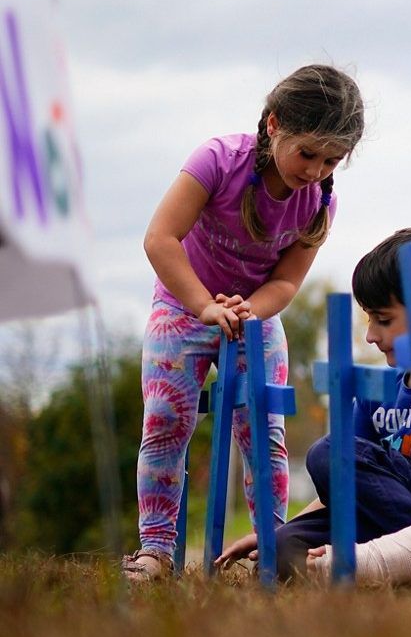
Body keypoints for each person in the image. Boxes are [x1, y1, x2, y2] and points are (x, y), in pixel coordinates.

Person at [123, 65, 365, 581]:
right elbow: (160, 239)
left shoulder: (320, 202)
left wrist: (248, 310)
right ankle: (156, 550)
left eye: (332, 160)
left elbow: (286, 283)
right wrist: (205, 305)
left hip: (255, 316)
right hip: (182, 306)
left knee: (264, 429)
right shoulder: (216, 161)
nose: (317, 170)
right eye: (308, 154)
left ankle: (272, 550)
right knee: (165, 420)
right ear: (274, 124)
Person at [215, 228, 411, 585]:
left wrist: (363, 560)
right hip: (392, 519)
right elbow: (349, 481)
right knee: (284, 547)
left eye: (383, 320)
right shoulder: (378, 391)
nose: (370, 335)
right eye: (369, 319)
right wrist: (283, 531)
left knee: (328, 451)